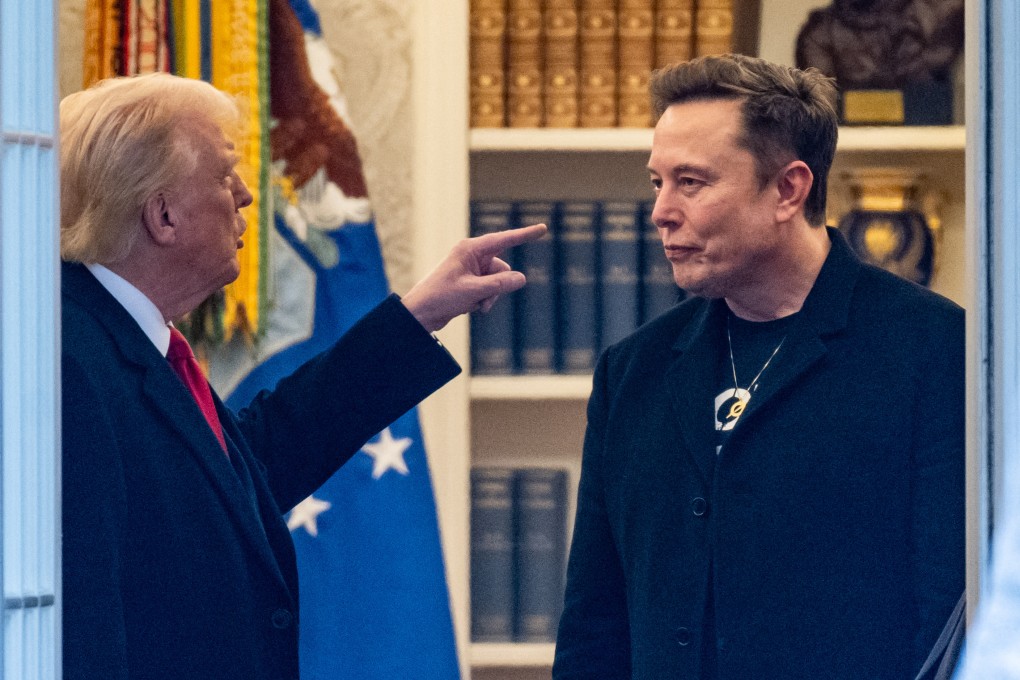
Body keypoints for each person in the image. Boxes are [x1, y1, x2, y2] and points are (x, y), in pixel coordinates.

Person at [59, 72, 545, 680]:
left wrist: (419, 316)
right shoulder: (71, 362)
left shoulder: (125, 339)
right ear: (163, 215)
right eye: (222, 174)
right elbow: (83, 626)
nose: (244, 194)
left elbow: (243, 478)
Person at [553, 54, 964, 680]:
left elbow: (947, 625)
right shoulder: (630, 372)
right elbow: (593, 630)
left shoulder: (933, 351)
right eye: (657, 182)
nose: (661, 211)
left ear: (787, 189)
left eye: (691, 182)